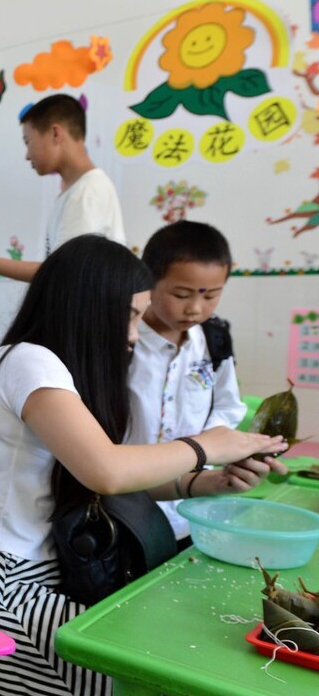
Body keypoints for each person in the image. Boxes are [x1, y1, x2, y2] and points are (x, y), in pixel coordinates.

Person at [0, 235, 286, 696]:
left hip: (36, 573)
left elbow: (112, 477)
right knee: (191, 690)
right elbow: (105, 471)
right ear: (92, 306)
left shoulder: (56, 367)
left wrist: (203, 481)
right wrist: (208, 444)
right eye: (131, 317)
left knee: (195, 691)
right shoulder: (28, 361)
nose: (135, 334)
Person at [128, 221, 247, 540]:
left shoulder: (214, 340)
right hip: (126, 503)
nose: (195, 308)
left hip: (192, 503)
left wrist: (216, 447)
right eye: (181, 294)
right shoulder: (125, 338)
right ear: (148, 281)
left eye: (211, 295)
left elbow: (228, 406)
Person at [0, 94, 125, 283]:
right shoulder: (76, 191)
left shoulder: (87, 191)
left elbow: (62, 273)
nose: (27, 155)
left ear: (55, 134)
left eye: (28, 142)